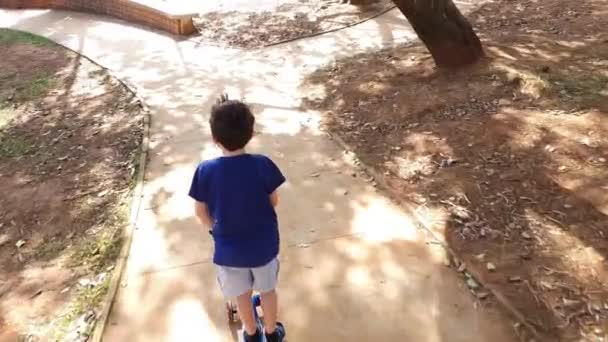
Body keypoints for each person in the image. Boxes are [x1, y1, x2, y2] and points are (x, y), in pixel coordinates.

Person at [189, 94, 286, 342]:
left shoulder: (205, 171)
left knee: (242, 294)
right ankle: (273, 332)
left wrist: (215, 229)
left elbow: (200, 213)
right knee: (268, 290)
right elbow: (274, 201)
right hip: (264, 246)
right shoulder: (263, 164)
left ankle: (251, 334)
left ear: (214, 138)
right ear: (251, 134)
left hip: (229, 250)